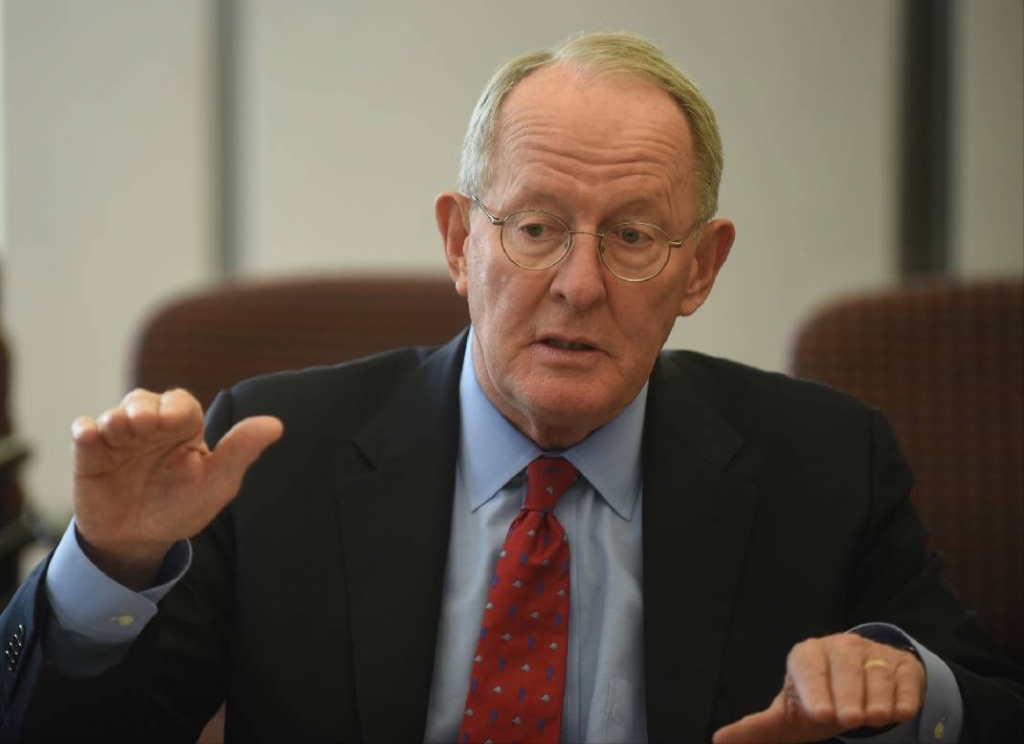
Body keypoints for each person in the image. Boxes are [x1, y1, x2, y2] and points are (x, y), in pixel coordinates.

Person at [0, 31, 1021, 744]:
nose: (576, 285)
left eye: (630, 236)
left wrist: (905, 688)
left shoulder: (825, 464)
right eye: (534, 227)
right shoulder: (275, 456)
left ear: (699, 270)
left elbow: (986, 702)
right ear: (460, 241)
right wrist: (110, 571)